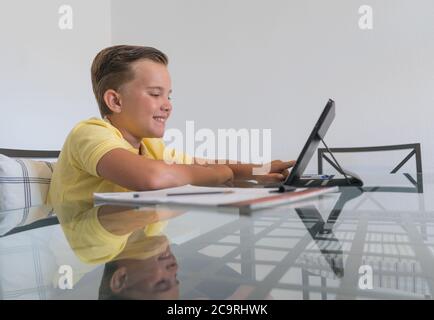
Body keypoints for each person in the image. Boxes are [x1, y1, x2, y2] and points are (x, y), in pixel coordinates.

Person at [48, 45, 294, 204]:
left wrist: (258, 169)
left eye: (169, 95)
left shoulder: (151, 146)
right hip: (89, 272)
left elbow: (200, 164)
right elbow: (152, 177)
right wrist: (223, 174)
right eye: (155, 94)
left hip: (132, 250)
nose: (167, 105)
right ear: (115, 101)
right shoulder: (90, 133)